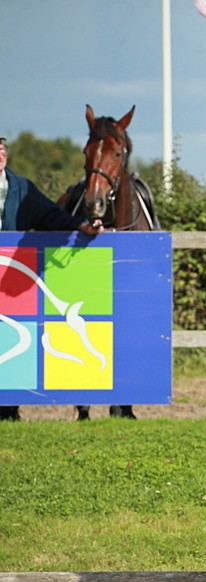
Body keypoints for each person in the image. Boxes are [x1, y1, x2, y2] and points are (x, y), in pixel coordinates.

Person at [0, 136, 104, 422]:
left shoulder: (22, 189)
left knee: (10, 337)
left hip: (8, 279)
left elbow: (51, 216)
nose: (0, 154)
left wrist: (81, 224)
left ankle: (8, 409)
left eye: (2, 148)